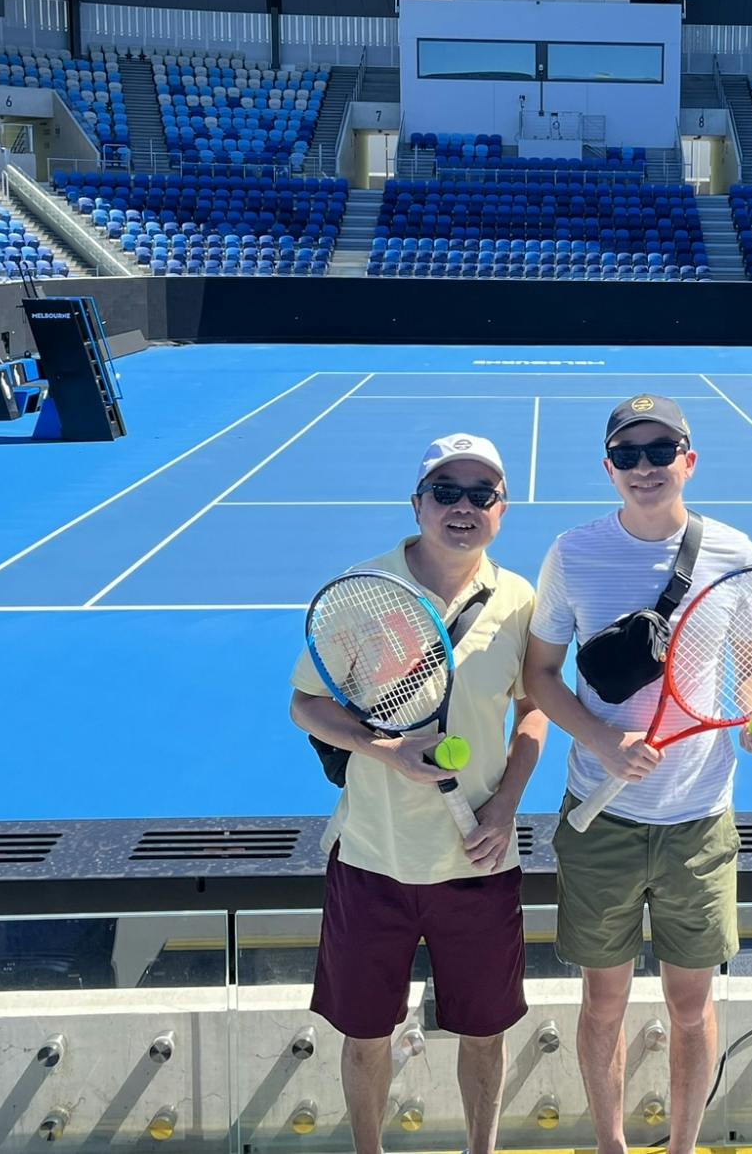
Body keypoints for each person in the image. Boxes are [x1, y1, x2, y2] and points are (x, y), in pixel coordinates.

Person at [523, 395, 752, 1154]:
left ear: (688, 461)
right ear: (609, 468)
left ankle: (679, 1148)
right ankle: (611, 1145)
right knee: (603, 1003)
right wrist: (604, 741)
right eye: (628, 454)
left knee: (690, 1005)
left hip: (700, 820)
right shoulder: (573, 554)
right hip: (600, 822)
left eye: (660, 450)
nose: (645, 467)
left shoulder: (735, 553)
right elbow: (540, 676)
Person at [289, 434, 545, 1154]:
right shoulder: (363, 590)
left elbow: (534, 708)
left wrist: (505, 805)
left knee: (485, 1034)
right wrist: (388, 750)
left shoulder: (521, 599)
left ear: (501, 509)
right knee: (366, 1035)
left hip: (479, 860)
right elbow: (307, 704)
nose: (462, 507)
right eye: (446, 491)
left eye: (480, 494)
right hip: (374, 857)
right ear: (418, 503)